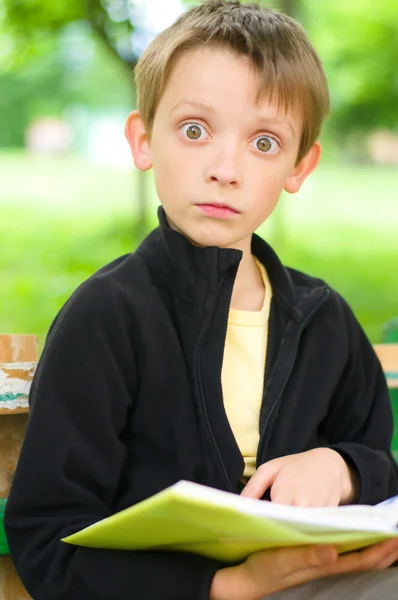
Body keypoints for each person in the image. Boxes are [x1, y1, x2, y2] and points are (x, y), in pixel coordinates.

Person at [5, 1, 398, 599]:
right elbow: (45, 538)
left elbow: (380, 470)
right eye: (195, 130)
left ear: (300, 165)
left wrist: (343, 469)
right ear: (143, 140)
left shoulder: (325, 321)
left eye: (264, 142)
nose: (225, 168)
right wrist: (225, 587)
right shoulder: (105, 318)